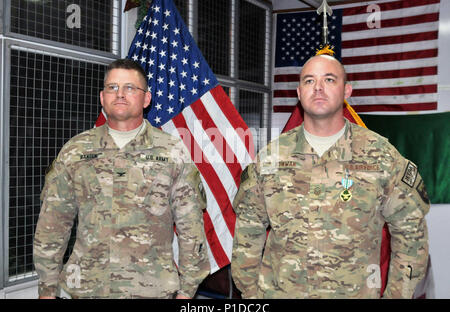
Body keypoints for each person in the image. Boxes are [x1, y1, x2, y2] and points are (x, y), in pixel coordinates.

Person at [231, 54, 430, 298]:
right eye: (309, 81)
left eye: (329, 80)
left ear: (347, 91)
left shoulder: (381, 156)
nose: (318, 88)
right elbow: (248, 230)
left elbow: (411, 232)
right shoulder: (271, 158)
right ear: (298, 92)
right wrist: (251, 295)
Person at [33, 59, 209, 299]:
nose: (120, 94)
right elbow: (53, 224)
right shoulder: (75, 150)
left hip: (152, 290)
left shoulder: (172, 151)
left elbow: (191, 227)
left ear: (146, 99)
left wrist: (187, 291)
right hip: (87, 288)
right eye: (112, 87)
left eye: (130, 88)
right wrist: (47, 288)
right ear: (102, 97)